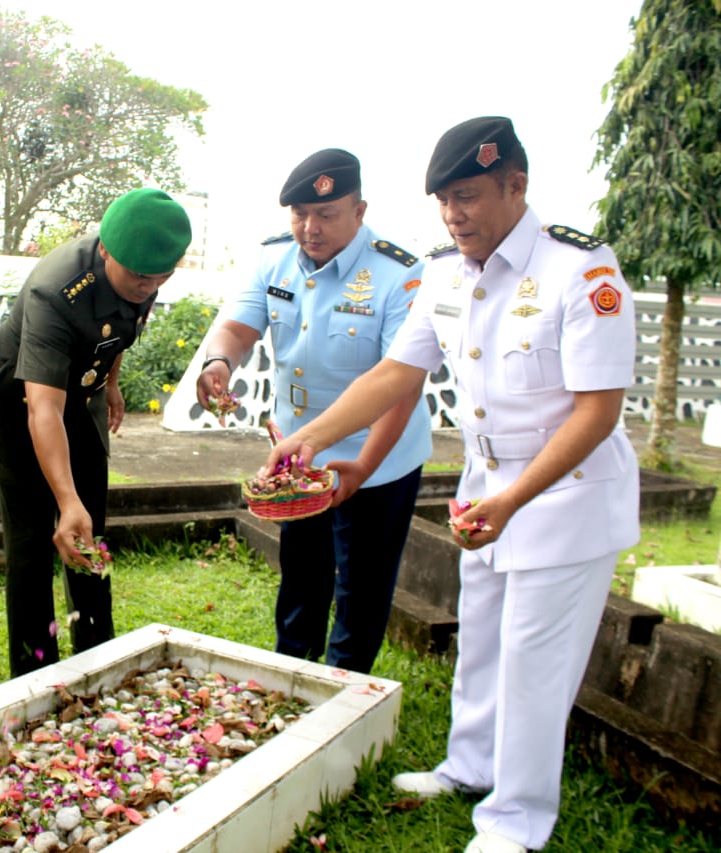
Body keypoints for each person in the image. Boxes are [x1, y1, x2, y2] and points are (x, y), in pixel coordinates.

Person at [265, 117, 639, 853]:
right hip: (485, 486)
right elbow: (395, 375)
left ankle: (515, 820)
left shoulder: (581, 271)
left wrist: (513, 498)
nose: (453, 214)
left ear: (516, 186)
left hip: (564, 495)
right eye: (443, 200)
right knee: (483, 637)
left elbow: (598, 412)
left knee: (534, 659)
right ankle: (469, 766)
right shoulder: (443, 273)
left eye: (466, 196)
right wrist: (308, 439)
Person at [197, 149, 431, 674]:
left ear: (360, 210)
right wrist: (219, 361)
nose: (311, 227)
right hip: (299, 453)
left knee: (363, 583)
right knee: (302, 569)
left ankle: (343, 689)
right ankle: (292, 671)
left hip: (379, 456)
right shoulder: (273, 259)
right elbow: (237, 327)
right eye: (300, 213)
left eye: (326, 214)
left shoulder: (401, 275)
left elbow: (402, 387)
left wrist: (367, 466)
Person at [0, 188, 192, 677]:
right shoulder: (57, 289)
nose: (147, 287)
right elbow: (42, 408)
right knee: (33, 533)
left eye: (159, 277)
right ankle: (33, 673)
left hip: (78, 393)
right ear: (107, 250)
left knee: (90, 529)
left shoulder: (143, 272)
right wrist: (64, 501)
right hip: (14, 399)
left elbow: (120, 327)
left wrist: (109, 383)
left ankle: (96, 657)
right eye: (138, 275)